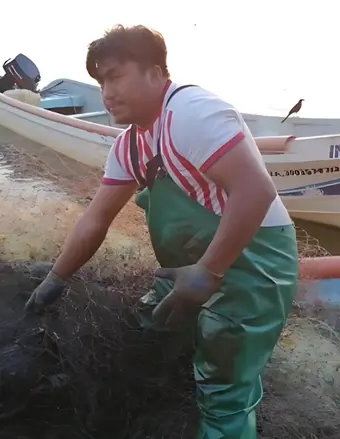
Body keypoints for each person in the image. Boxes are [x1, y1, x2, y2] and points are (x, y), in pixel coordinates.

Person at [24, 25, 298, 439]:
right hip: (188, 267)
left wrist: (208, 273)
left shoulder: (190, 112)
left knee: (224, 386)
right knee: (149, 332)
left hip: (253, 265)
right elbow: (96, 219)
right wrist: (56, 278)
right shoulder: (129, 145)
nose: (106, 92)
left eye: (115, 75)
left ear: (156, 73)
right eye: (100, 82)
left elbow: (255, 192)